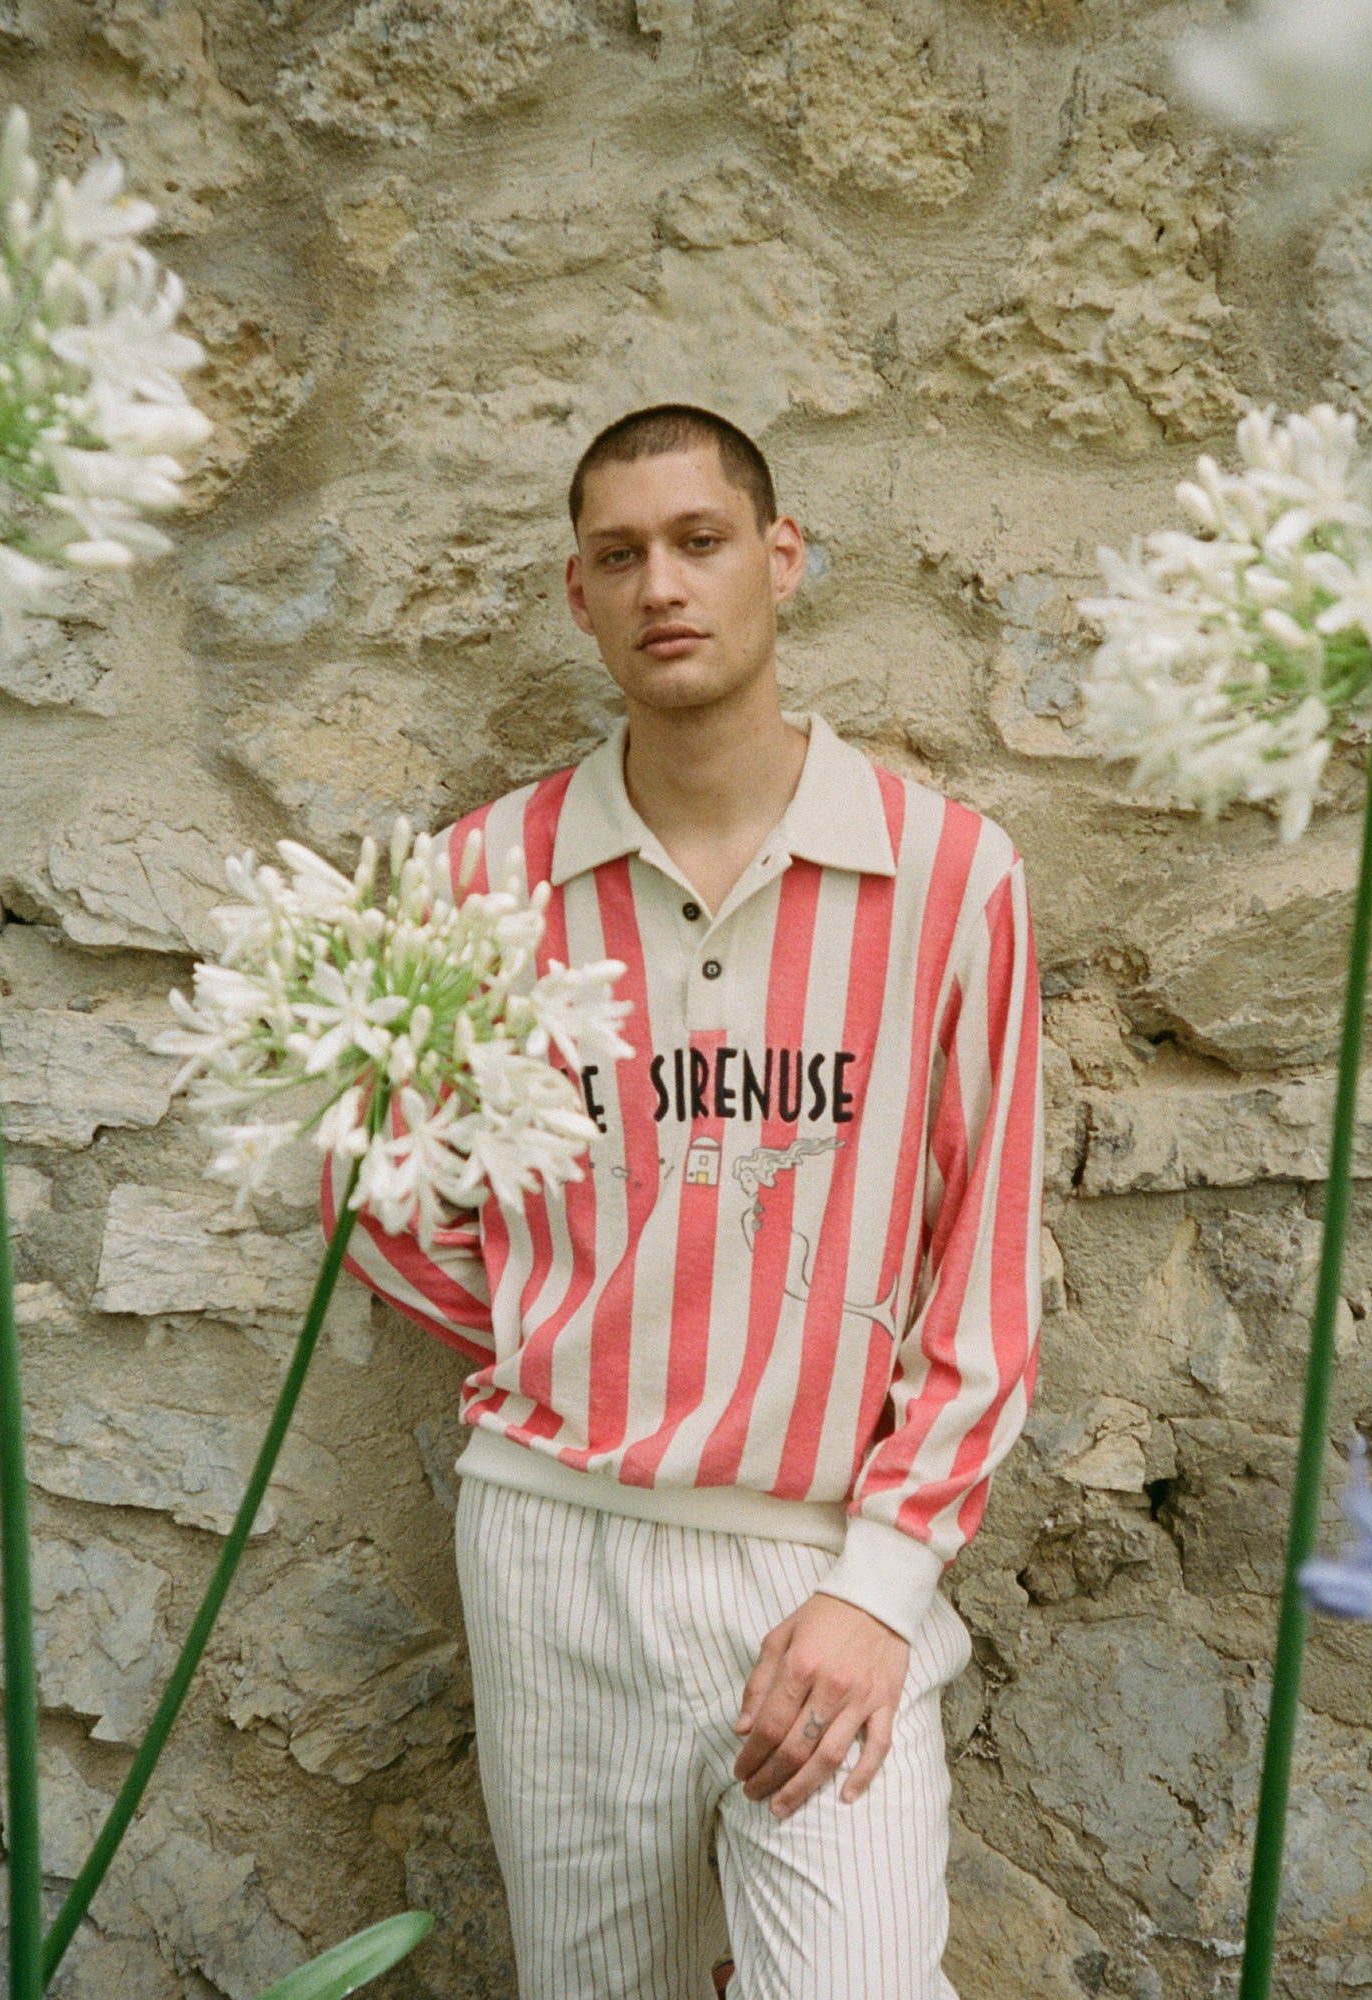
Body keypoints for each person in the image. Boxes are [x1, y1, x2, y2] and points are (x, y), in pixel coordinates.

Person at [321, 403, 1043, 1999]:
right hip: (558, 1546)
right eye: (620, 554)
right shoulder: (481, 880)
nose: (665, 583)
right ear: (577, 594)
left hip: (821, 1561)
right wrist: (554, 1328)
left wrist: (880, 1587)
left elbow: (982, 1280)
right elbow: (370, 1181)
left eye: (700, 541)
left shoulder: (948, 876)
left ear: (780, 560)